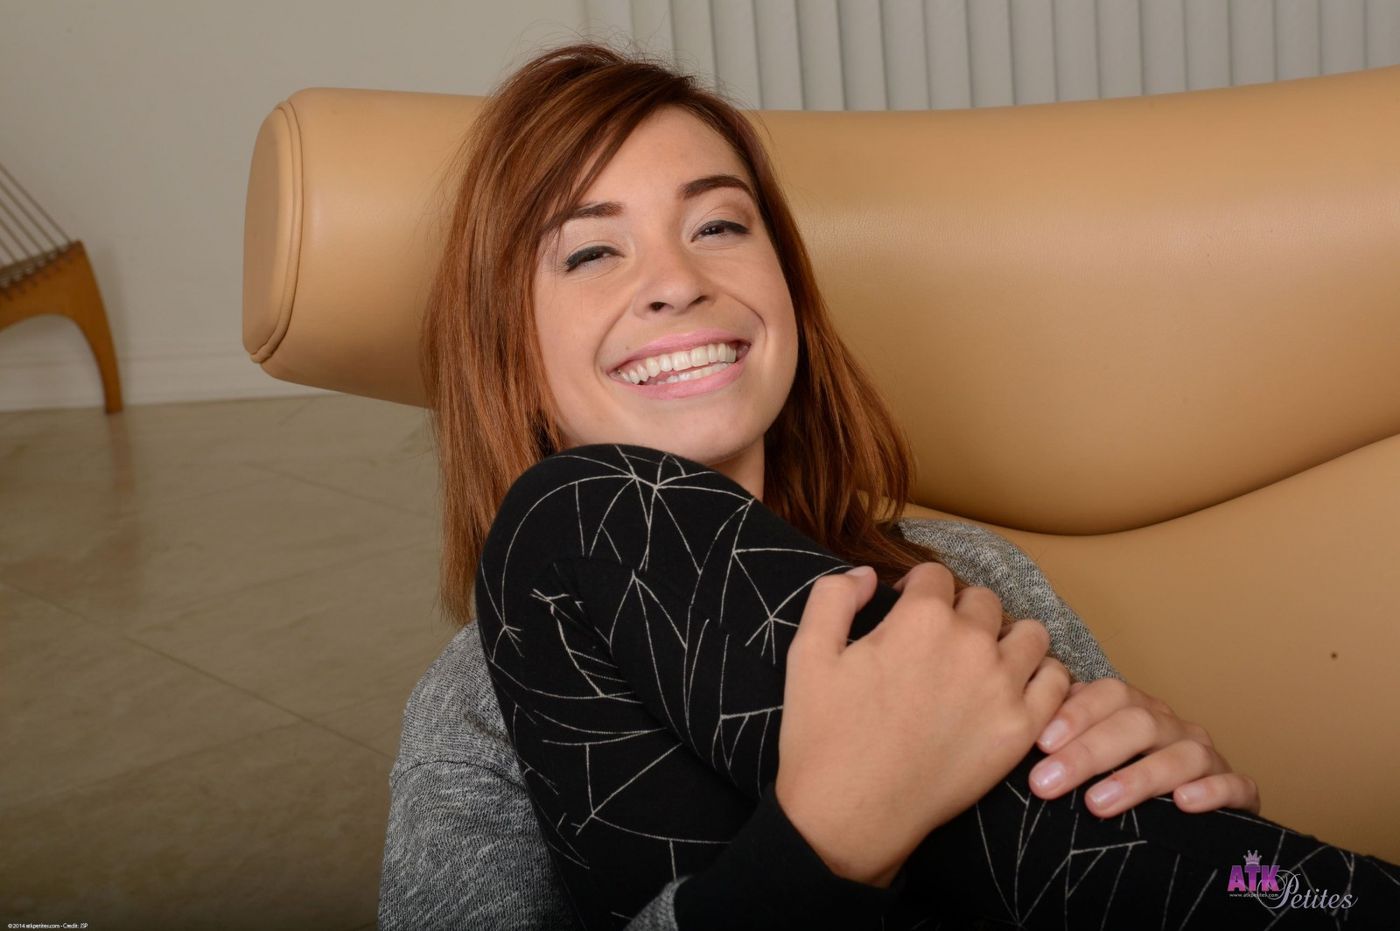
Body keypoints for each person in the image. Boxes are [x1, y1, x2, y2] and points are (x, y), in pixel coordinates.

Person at [379, 41, 1400, 930]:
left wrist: (1200, 809)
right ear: (510, 353)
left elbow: (1146, 863)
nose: (678, 280)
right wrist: (822, 843)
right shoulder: (476, 705)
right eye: (593, 250)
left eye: (719, 226)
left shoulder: (963, 578)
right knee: (569, 514)